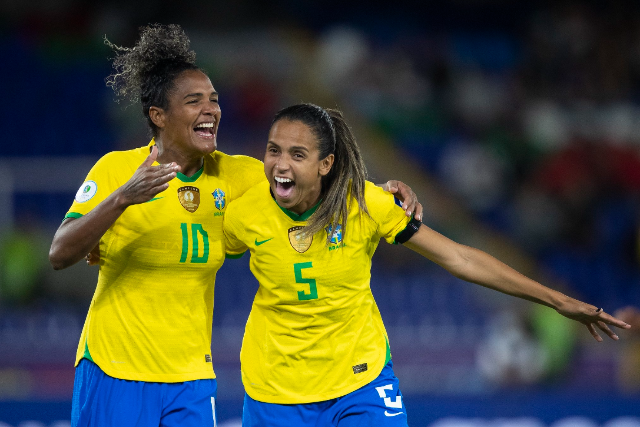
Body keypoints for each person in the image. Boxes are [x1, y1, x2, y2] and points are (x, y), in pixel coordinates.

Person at [48, 24, 420, 427]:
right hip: (113, 365)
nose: (211, 109)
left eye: (214, 99)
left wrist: (375, 191)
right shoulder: (117, 168)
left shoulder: (237, 175)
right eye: (194, 101)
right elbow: (60, 253)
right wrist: (121, 199)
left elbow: (309, 177)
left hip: (190, 377)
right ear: (159, 115)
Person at [222, 103, 631, 427]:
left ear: (325, 164)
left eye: (297, 153)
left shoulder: (366, 205)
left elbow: (459, 257)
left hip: (358, 383)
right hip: (274, 392)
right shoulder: (245, 212)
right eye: (273, 150)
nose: (280, 163)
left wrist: (556, 300)